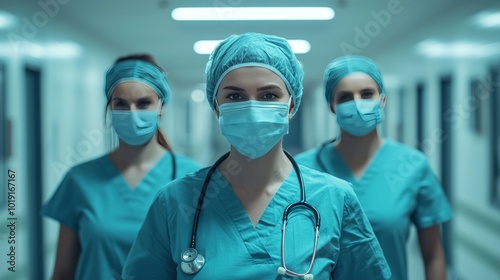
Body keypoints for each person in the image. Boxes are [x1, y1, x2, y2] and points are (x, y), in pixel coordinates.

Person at [122, 33, 391, 279]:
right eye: (235, 96)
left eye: (269, 95)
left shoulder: (335, 198)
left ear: (291, 105)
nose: (252, 108)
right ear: (217, 107)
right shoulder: (175, 202)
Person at [41, 53, 203, 280]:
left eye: (144, 103)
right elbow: (62, 273)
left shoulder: (194, 180)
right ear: (109, 107)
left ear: (162, 106)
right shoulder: (79, 180)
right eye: (121, 104)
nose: (132, 113)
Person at [295, 55, 453, 280]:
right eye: (345, 97)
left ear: (383, 100)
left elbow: (434, 255)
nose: (358, 103)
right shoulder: (303, 170)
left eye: (367, 94)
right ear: (332, 106)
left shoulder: (412, 166)